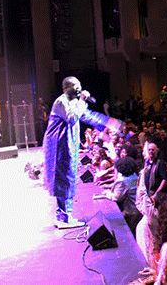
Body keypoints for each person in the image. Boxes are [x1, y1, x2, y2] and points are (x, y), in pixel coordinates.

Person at [44, 76, 123, 228]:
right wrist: (82, 100)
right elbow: (72, 118)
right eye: (75, 86)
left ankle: (66, 214)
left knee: (69, 177)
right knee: (63, 179)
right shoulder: (61, 101)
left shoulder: (74, 102)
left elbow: (87, 116)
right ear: (66, 88)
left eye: (80, 85)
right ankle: (64, 217)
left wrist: (110, 123)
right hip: (59, 147)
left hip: (69, 146)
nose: (79, 89)